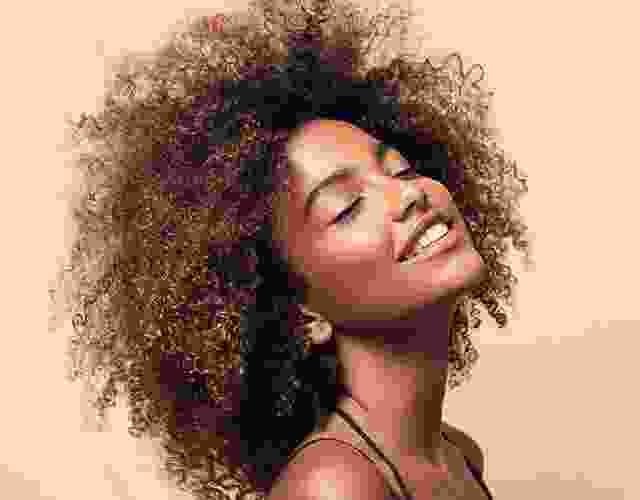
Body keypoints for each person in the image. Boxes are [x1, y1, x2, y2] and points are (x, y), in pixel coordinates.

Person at [48, 0, 533, 499]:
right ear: (302, 312)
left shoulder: (457, 456)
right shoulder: (336, 486)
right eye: (347, 207)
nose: (409, 195)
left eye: (402, 169)